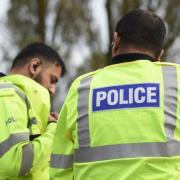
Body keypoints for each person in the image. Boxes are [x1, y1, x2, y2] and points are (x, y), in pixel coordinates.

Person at [50, 9, 180, 179]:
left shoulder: (82, 87)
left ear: (116, 40)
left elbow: (61, 168)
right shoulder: (175, 79)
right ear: (160, 55)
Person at [0, 42, 66, 179]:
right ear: (34, 66)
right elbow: (16, 162)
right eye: (52, 80)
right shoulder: (8, 95)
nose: (53, 90)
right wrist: (54, 130)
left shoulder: (21, 101)